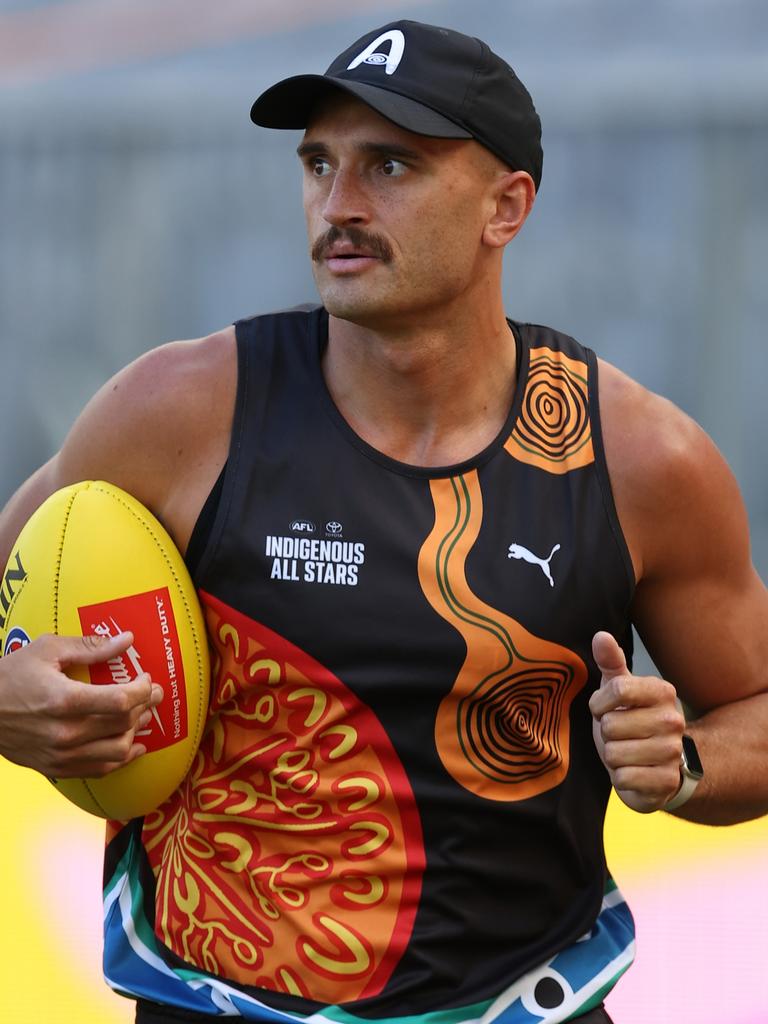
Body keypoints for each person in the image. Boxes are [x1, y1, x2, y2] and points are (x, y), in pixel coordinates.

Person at [0, 18, 767, 1024]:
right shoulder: (178, 413)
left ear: (508, 206)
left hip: (516, 1005)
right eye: (320, 163)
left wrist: (689, 763)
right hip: (208, 1002)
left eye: (390, 165)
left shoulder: (639, 461)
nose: (338, 205)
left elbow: (754, 709)